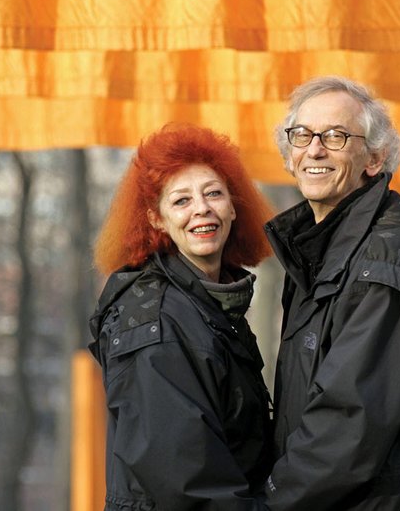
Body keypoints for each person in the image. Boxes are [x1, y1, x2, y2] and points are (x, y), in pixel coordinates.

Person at [262, 76, 400, 509]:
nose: (314, 149)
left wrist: (270, 500)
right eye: (302, 135)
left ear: (375, 157)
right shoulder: (318, 248)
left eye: (336, 136)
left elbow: (354, 420)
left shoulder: (388, 254)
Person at [88, 124, 277, 510]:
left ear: (233, 206)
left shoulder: (210, 307)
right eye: (181, 201)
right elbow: (187, 484)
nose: (202, 209)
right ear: (156, 220)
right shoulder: (155, 322)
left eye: (213, 193)